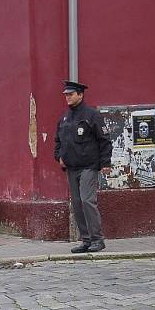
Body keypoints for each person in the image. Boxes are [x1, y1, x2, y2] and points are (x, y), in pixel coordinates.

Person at [54, 80, 112, 253]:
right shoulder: (64, 118)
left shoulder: (92, 115)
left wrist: (105, 163)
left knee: (87, 201)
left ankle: (97, 239)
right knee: (77, 203)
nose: (67, 97)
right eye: (66, 95)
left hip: (89, 166)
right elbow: (57, 141)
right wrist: (59, 157)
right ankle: (86, 240)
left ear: (80, 95)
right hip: (71, 167)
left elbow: (105, 140)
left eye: (70, 94)